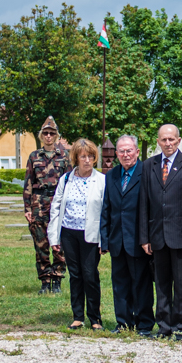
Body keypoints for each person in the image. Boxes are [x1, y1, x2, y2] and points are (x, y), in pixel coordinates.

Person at [138, 123, 182, 340]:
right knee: (162, 284)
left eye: (171, 139)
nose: (168, 143)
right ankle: (164, 326)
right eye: (163, 140)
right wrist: (144, 237)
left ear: (178, 140)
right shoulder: (149, 165)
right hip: (157, 235)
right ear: (158, 141)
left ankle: (181, 328)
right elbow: (144, 203)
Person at [48, 139, 106, 330]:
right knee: (75, 275)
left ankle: (95, 318)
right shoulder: (66, 179)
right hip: (69, 232)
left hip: (90, 234)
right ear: (76, 158)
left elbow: (106, 211)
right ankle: (78, 316)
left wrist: (102, 240)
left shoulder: (101, 181)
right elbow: (56, 207)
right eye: (83, 156)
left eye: (90, 156)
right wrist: (54, 237)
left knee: (90, 274)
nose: (87, 160)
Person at [101, 134, 152, 334]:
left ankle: (144, 324)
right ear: (116, 154)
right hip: (117, 240)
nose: (125, 154)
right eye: (121, 151)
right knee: (120, 285)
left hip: (139, 240)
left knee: (141, 284)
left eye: (129, 150)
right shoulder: (111, 175)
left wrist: (147, 238)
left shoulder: (147, 172)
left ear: (137, 152)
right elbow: (107, 209)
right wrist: (104, 240)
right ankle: (123, 322)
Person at [23, 117, 70, 294]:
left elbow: (69, 182)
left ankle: (57, 279)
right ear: (41, 136)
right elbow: (28, 182)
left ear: (56, 135)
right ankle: (45, 280)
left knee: (59, 244)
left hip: (58, 204)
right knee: (41, 244)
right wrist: (27, 209)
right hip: (39, 203)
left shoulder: (64, 156)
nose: (49, 136)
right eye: (45, 133)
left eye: (52, 133)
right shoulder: (34, 156)